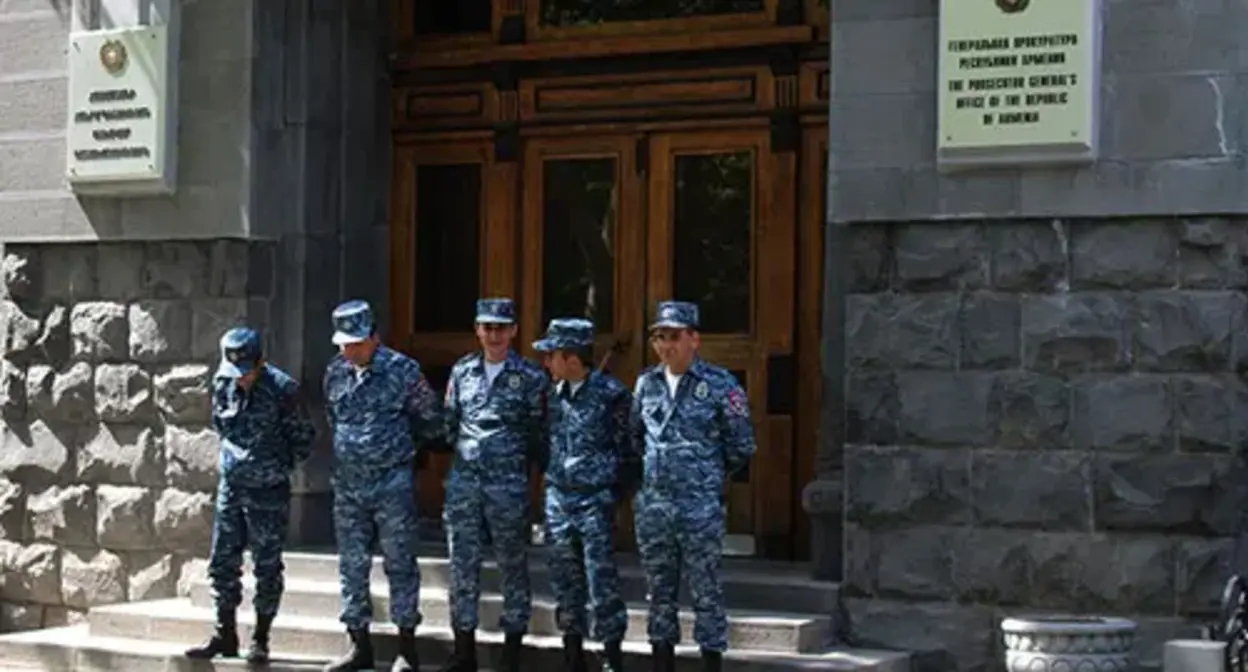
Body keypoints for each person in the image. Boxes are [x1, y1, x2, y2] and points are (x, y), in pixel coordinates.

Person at [627, 301, 757, 672]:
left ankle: (711, 663)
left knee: (706, 592)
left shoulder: (719, 385)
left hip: (699, 508)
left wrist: (703, 478)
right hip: (655, 508)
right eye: (660, 338)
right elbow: (636, 439)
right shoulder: (646, 384)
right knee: (659, 595)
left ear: (694, 339)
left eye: (674, 337)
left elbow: (741, 446)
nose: (666, 346)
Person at [321, 300, 445, 672]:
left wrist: (396, 452)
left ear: (374, 337)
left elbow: (430, 420)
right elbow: (335, 418)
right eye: (343, 344)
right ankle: (359, 645)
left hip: (391, 483)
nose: (349, 351)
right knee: (352, 566)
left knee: (400, 563)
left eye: (356, 343)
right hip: (349, 486)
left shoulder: (403, 371)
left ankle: (407, 647)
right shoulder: (335, 372)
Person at [185, 327, 316, 664]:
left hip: (268, 491)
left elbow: (303, 438)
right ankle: (224, 633)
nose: (240, 380)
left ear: (261, 363)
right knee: (222, 562)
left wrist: (275, 466)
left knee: (266, 566)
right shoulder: (222, 383)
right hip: (233, 485)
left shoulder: (283, 390)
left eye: (246, 373)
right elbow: (221, 424)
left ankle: (260, 637)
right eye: (234, 373)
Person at [438, 297, 547, 672]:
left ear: (514, 331)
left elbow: (538, 434)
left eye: (501, 328)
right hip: (465, 488)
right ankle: (463, 650)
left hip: (508, 488)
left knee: (512, 568)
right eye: (487, 328)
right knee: (462, 569)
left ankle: (511, 653)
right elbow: (451, 423)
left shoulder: (531, 377)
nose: (494, 335)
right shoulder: (462, 372)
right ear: (478, 330)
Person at [533, 318, 630, 672]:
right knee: (564, 582)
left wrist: (610, 492)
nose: (547, 363)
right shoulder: (551, 396)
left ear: (572, 358)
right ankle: (572, 653)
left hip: (595, 501)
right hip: (560, 500)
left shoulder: (611, 395)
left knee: (601, 582)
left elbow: (629, 450)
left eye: (552, 355)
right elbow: (543, 442)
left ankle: (610, 657)